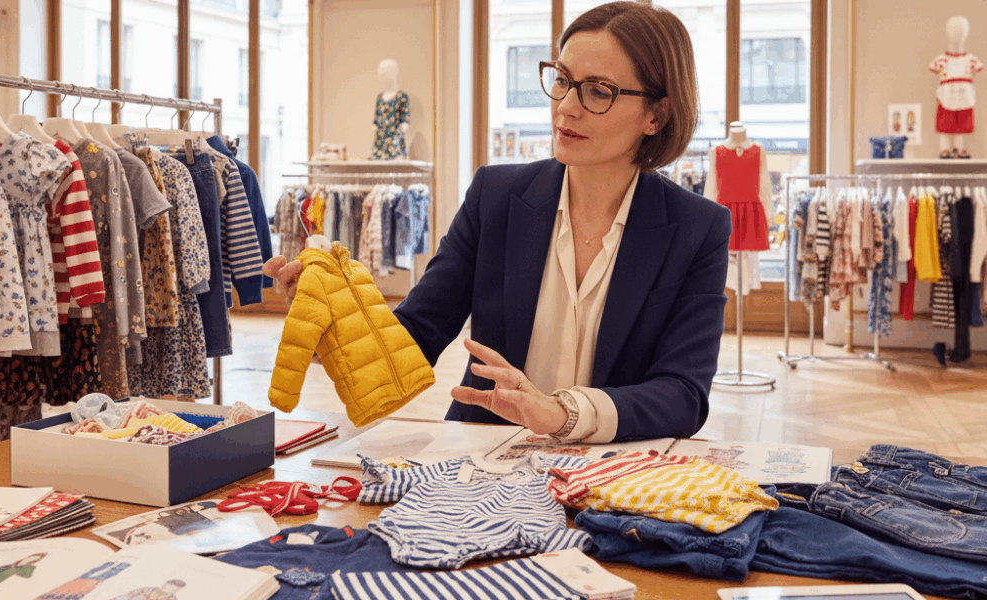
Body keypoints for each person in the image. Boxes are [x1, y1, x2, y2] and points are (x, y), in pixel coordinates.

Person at [265, 2, 730, 443]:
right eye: (563, 80)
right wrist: (338, 316)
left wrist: (565, 413)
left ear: (657, 114)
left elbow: (683, 395)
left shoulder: (697, 228)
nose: (566, 106)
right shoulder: (497, 197)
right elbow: (416, 337)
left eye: (597, 91)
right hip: (483, 454)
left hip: (611, 474)